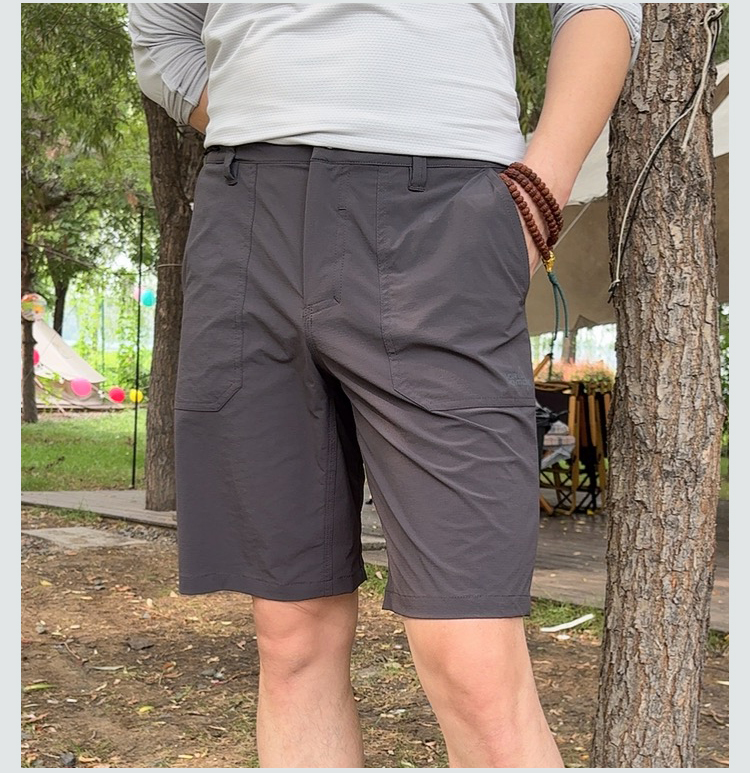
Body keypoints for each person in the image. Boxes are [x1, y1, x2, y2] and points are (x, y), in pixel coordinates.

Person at [128, 4, 641, 767]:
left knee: (473, 660)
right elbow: (158, 30)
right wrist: (266, 110)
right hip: (249, 219)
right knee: (292, 636)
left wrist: (543, 189)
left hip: (444, 213)